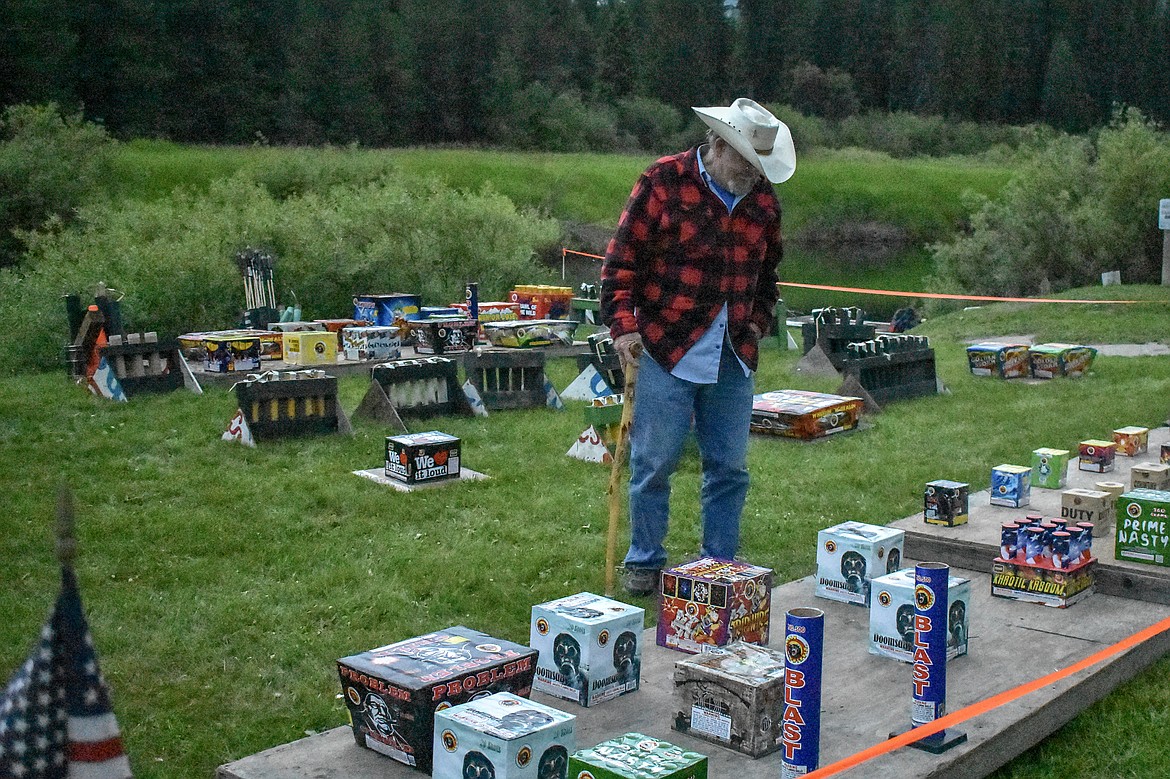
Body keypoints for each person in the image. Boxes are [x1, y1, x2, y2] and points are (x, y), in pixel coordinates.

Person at [600, 97, 796, 596]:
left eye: (760, 167)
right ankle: (645, 562)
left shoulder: (764, 202)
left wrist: (757, 324)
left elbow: (768, 274)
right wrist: (624, 327)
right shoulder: (662, 182)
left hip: (733, 352)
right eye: (747, 164)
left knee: (729, 466)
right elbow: (621, 261)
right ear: (719, 146)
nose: (754, 175)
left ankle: (719, 567)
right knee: (654, 462)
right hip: (668, 344)